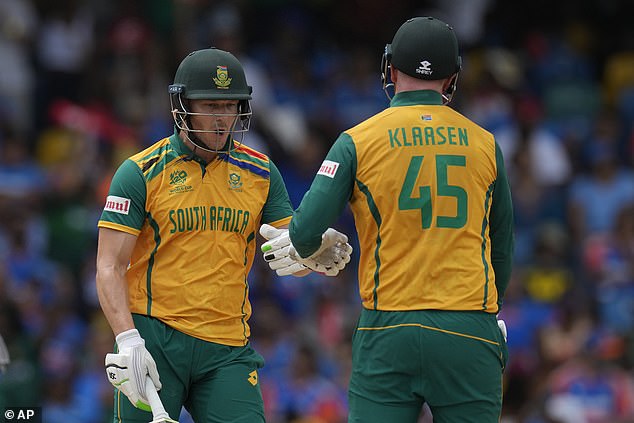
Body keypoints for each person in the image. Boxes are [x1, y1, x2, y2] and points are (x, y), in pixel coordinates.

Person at [262, 17, 514, 423]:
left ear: (391, 70)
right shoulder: (486, 144)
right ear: (452, 79)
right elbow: (501, 245)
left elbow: (304, 232)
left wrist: (313, 247)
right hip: (468, 327)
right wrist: (488, 316)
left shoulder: (358, 140)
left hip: (389, 325)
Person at [95, 47, 352, 423]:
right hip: (156, 337)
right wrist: (127, 339)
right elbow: (108, 266)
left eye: (230, 106)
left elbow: (288, 259)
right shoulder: (140, 172)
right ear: (182, 105)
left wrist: (313, 253)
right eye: (211, 106)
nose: (222, 119)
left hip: (227, 345)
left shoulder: (261, 171)